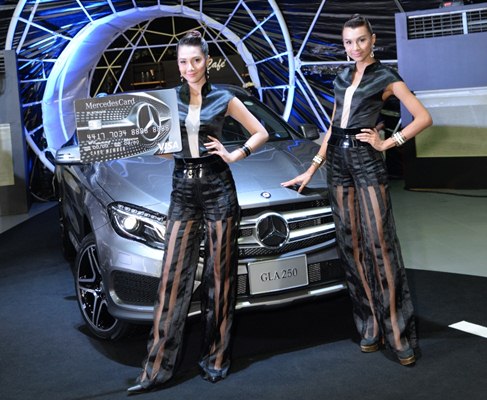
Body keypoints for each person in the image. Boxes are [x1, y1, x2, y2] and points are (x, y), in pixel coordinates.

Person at [282, 14, 432, 366]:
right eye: (349, 42)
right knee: (350, 245)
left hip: (367, 161)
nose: (355, 47)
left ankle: (397, 332)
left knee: (380, 244)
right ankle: (370, 325)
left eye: (361, 40)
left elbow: (423, 117)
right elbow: (332, 128)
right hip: (338, 162)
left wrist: (388, 143)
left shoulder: (386, 77)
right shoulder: (341, 77)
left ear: (373, 39)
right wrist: (312, 168)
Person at [128, 31, 269, 394]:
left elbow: (261, 132)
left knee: (220, 277)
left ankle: (217, 358)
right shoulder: (165, 100)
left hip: (218, 187)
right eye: (183, 61)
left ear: (207, 61)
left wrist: (236, 153)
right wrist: (150, 145)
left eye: (195, 60)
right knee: (173, 278)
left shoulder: (224, 97)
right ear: (177, 65)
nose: (189, 68)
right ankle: (156, 369)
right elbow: (164, 148)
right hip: (182, 189)